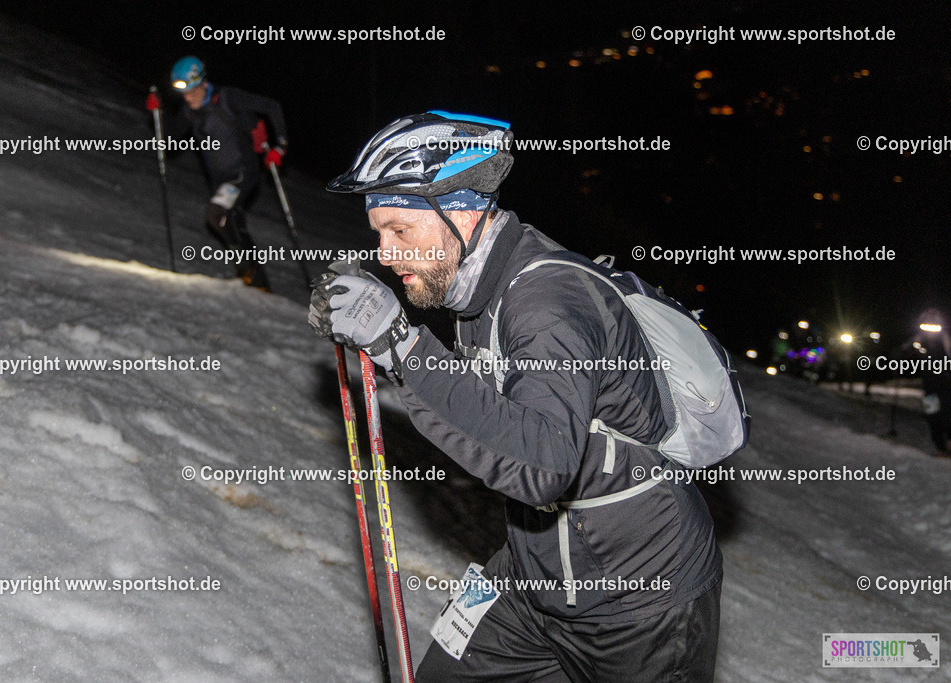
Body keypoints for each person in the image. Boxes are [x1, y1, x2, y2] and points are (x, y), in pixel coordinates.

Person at [309, 112, 722, 681]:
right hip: (535, 578)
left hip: (638, 602)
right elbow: (488, 411)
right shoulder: (479, 285)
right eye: (378, 233)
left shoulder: (548, 304)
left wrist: (402, 347)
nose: (384, 252)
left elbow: (543, 463)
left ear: (460, 211)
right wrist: (384, 342)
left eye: (399, 230)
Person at [157, 56, 288, 290]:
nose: (188, 98)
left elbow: (272, 107)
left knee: (216, 215)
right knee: (233, 223)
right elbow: (170, 139)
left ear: (203, 83)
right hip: (218, 180)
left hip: (242, 173)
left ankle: (247, 273)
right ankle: (258, 285)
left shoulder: (227, 98)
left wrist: (280, 146)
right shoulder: (190, 111)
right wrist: (156, 113)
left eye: (192, 92)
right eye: (184, 94)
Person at [907, 309, 951, 455]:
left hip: (946, 383)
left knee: (947, 413)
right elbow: (908, 352)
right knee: (933, 415)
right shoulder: (919, 339)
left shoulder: (945, 338)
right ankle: (939, 447)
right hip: (929, 385)